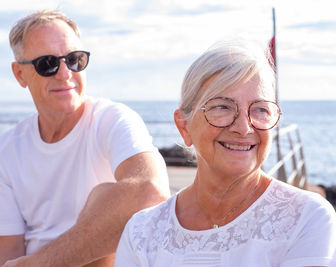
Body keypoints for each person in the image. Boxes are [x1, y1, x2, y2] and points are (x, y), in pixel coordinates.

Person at [115, 40, 336, 266]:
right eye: (222, 107)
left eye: (260, 109)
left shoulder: (306, 219)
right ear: (184, 126)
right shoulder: (141, 233)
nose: (243, 127)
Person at [0, 10, 170, 266]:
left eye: (74, 59)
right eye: (47, 63)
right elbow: (4, 250)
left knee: (104, 196)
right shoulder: (5, 149)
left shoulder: (112, 120)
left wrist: (43, 263)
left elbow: (150, 190)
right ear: (20, 74)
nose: (64, 73)